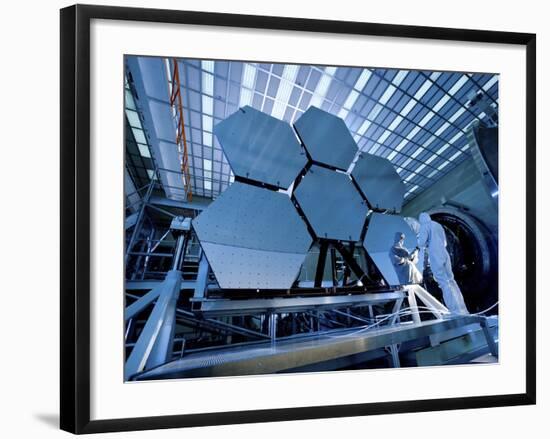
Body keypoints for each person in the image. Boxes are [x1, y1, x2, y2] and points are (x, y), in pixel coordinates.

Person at [417, 212, 469, 315]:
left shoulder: (425, 226)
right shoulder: (437, 225)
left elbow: (421, 242)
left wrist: (418, 241)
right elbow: (445, 242)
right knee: (451, 281)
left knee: (444, 283)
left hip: (435, 254)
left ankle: (455, 311)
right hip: (444, 253)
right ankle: (463, 309)